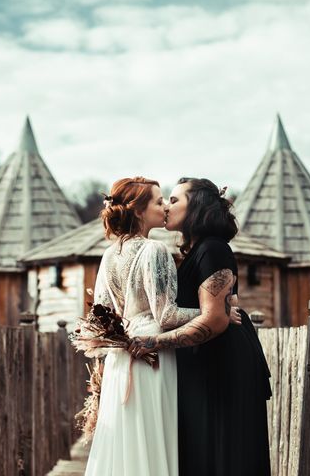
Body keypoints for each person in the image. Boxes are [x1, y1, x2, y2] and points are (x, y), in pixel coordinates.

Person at [84, 177, 240, 476]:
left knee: (124, 442)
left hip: (120, 360)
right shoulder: (154, 250)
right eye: (158, 201)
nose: (165, 207)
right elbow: (166, 316)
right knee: (153, 438)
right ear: (140, 211)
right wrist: (216, 311)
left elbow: (101, 317)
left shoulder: (108, 255)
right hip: (152, 358)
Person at [130, 177, 271, 476]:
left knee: (223, 454)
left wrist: (154, 343)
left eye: (174, 200)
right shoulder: (196, 251)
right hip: (205, 362)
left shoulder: (213, 250)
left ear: (197, 207)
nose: (167, 206)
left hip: (223, 364)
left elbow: (216, 320)